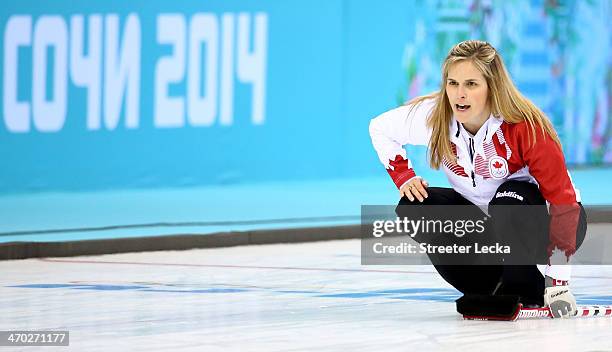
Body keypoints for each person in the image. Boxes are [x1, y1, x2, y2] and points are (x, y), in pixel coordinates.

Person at [369, 40, 587, 318]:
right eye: (452, 83)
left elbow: (563, 201)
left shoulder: (525, 127)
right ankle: (491, 287)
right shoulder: (436, 116)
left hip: (546, 222)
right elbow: (379, 128)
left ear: (492, 87)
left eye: (471, 84)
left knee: (508, 201)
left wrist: (558, 281)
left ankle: (528, 285)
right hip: (490, 224)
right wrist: (403, 176)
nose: (459, 95)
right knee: (416, 207)